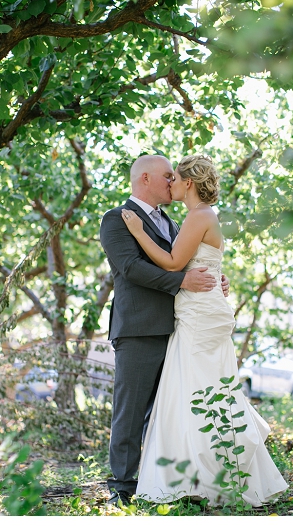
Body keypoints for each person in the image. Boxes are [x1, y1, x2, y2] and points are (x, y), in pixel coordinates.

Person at [121, 154, 288, 507]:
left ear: (189, 184)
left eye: (175, 178)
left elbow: (172, 262)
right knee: (193, 389)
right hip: (195, 309)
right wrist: (216, 280)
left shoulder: (199, 216)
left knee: (194, 388)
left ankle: (202, 477)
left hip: (198, 315)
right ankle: (198, 475)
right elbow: (200, 262)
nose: (171, 184)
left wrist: (137, 231)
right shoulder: (194, 217)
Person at [99, 154, 230, 507]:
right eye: (167, 175)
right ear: (145, 178)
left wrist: (213, 277)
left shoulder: (174, 222)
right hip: (140, 329)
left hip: (179, 328)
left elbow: (187, 257)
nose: (173, 181)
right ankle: (122, 486)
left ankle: (166, 480)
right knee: (130, 410)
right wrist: (183, 279)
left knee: (169, 411)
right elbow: (130, 268)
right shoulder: (116, 219)